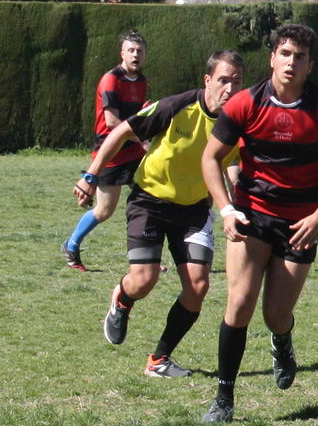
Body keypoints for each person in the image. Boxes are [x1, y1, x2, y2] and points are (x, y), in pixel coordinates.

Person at [198, 24, 318, 423]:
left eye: (299, 56)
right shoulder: (245, 104)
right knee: (238, 303)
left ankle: (281, 339)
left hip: (301, 222)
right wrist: (226, 209)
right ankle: (224, 398)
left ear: (310, 65)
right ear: (272, 58)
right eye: (284, 53)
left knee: (275, 314)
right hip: (252, 215)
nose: (290, 62)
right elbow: (210, 158)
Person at [77, 50, 244, 378]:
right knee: (144, 280)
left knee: (197, 288)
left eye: (237, 82)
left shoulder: (236, 122)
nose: (230, 88)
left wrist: (236, 202)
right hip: (149, 203)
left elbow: (233, 163)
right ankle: (123, 298)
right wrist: (91, 174)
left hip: (194, 211)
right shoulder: (177, 106)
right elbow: (122, 130)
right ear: (208, 80)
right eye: (223, 80)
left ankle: (158, 360)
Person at [65, 30, 149, 271]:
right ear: (122, 53)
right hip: (110, 152)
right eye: (131, 50)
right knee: (104, 210)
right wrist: (142, 137)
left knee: (149, 200)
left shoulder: (141, 81)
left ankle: (145, 258)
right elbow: (112, 122)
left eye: (139, 51)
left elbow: (134, 118)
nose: (135, 55)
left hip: (133, 153)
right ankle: (71, 245)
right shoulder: (111, 80)